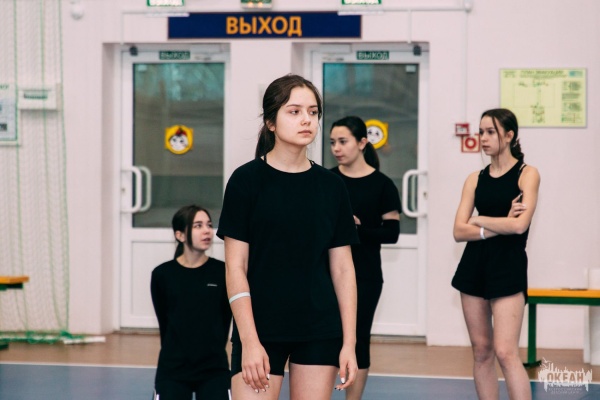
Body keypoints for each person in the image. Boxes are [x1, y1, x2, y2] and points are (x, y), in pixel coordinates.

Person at [217, 74, 359, 400]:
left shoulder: (332, 186)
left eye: (313, 112)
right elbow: (235, 268)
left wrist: (350, 343)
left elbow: (343, 269)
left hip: (319, 328)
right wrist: (249, 340)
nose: (306, 119)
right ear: (271, 122)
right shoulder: (245, 181)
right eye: (294, 111)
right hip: (260, 327)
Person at [452, 108, 540, 400]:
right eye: (481, 132)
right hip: (474, 265)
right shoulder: (474, 179)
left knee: (505, 351)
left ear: (509, 135)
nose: (483, 138)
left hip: (508, 265)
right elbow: (458, 231)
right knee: (481, 351)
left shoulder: (527, 174)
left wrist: (479, 219)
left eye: (491, 132)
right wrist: (496, 224)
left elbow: (519, 226)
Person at [329, 116, 401, 400]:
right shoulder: (326, 181)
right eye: (332, 142)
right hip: (327, 273)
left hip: (366, 275)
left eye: (342, 141)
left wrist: (358, 230)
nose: (336, 148)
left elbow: (392, 233)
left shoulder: (382, 185)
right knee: (325, 338)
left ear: (361, 143)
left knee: (358, 338)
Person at [150, 205, 232, 400]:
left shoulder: (222, 272)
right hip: (173, 370)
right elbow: (165, 324)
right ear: (180, 235)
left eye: (209, 225)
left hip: (214, 369)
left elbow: (225, 320)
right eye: (198, 225)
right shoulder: (162, 275)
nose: (207, 231)